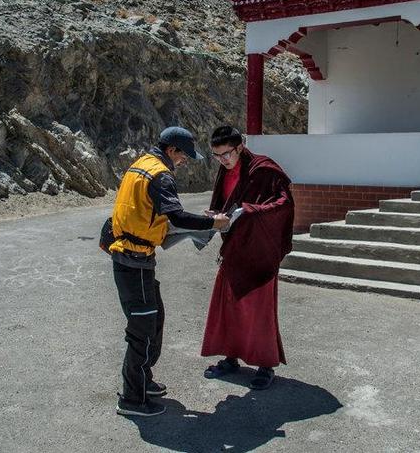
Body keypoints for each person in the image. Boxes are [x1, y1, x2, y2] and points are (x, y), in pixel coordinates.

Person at [110, 126, 230, 417]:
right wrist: (214, 224)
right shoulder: (161, 175)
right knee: (142, 331)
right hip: (135, 262)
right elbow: (175, 215)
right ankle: (132, 400)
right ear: (172, 151)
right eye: (184, 156)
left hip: (132, 259)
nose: (185, 161)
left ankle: (143, 381)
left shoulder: (140, 165)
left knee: (154, 320)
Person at [201, 125, 294, 390]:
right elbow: (225, 203)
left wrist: (249, 211)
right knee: (229, 306)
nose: (223, 160)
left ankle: (266, 365)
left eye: (227, 154)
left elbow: (283, 205)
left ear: (240, 147)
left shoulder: (264, 169)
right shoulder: (225, 171)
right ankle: (231, 358)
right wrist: (215, 215)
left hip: (259, 251)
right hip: (234, 249)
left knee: (259, 310)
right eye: (217, 156)